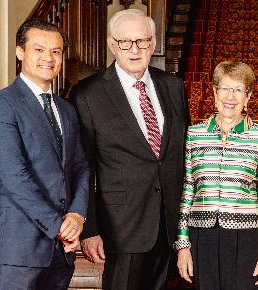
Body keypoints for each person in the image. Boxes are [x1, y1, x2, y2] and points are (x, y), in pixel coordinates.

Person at [70, 9, 190, 290]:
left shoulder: (173, 86)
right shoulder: (88, 94)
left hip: (171, 224)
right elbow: (82, 167)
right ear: (113, 45)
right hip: (121, 227)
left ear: (153, 43)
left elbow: (181, 156)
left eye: (142, 41)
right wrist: (90, 229)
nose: (134, 50)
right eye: (126, 42)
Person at [0, 19, 89, 289]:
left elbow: (81, 167)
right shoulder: (1, 104)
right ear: (20, 52)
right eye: (39, 49)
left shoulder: (67, 109)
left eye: (56, 51)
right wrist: (59, 229)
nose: (48, 58)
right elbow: (15, 179)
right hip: (21, 250)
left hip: (62, 252)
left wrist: (77, 215)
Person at [173, 61, 258, 289]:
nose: (231, 96)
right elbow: (188, 189)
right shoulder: (194, 134)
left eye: (238, 89)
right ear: (214, 91)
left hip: (247, 236)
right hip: (202, 235)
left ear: (248, 96)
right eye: (225, 88)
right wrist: (182, 244)